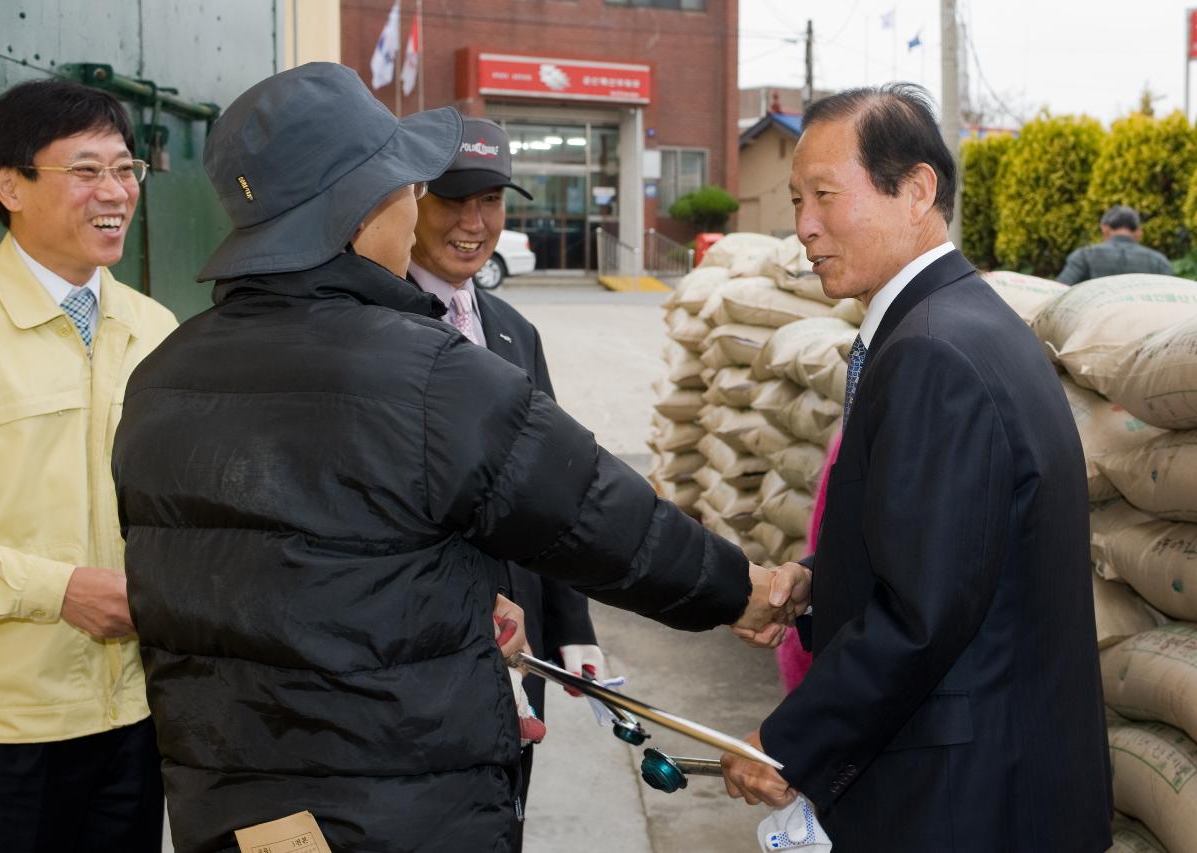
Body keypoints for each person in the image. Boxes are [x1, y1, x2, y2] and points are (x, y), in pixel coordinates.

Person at [111, 62, 778, 853]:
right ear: (360, 211)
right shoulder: (429, 374)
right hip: (399, 801)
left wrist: (452, 597)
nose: (415, 203)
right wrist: (743, 588)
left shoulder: (162, 375)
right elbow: (605, 518)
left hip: (236, 808)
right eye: (406, 187)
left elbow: (273, 573)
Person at [721, 84, 1113, 852]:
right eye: (798, 199)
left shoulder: (931, 350)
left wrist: (788, 740)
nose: (803, 225)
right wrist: (816, 576)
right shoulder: (961, 320)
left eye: (826, 196)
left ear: (917, 190)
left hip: (967, 799)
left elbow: (921, 615)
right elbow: (945, 544)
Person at [0, 79, 177, 850]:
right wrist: (57, 588)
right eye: (86, 170)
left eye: (126, 169)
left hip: (132, 719)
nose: (116, 192)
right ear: (10, 184)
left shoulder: (154, 329)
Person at [409, 116, 603, 817]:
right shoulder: (373, 322)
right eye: (452, 198)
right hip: (424, 651)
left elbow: (551, 491)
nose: (473, 221)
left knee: (507, 811)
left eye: (490, 199)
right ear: (410, 199)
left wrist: (572, 622)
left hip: (521, 652)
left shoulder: (515, 333)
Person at [1056, 204, 1172, 283]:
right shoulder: (1158, 261)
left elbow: (1060, 291)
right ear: (1138, 232)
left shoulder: (1084, 256)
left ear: (1105, 229)